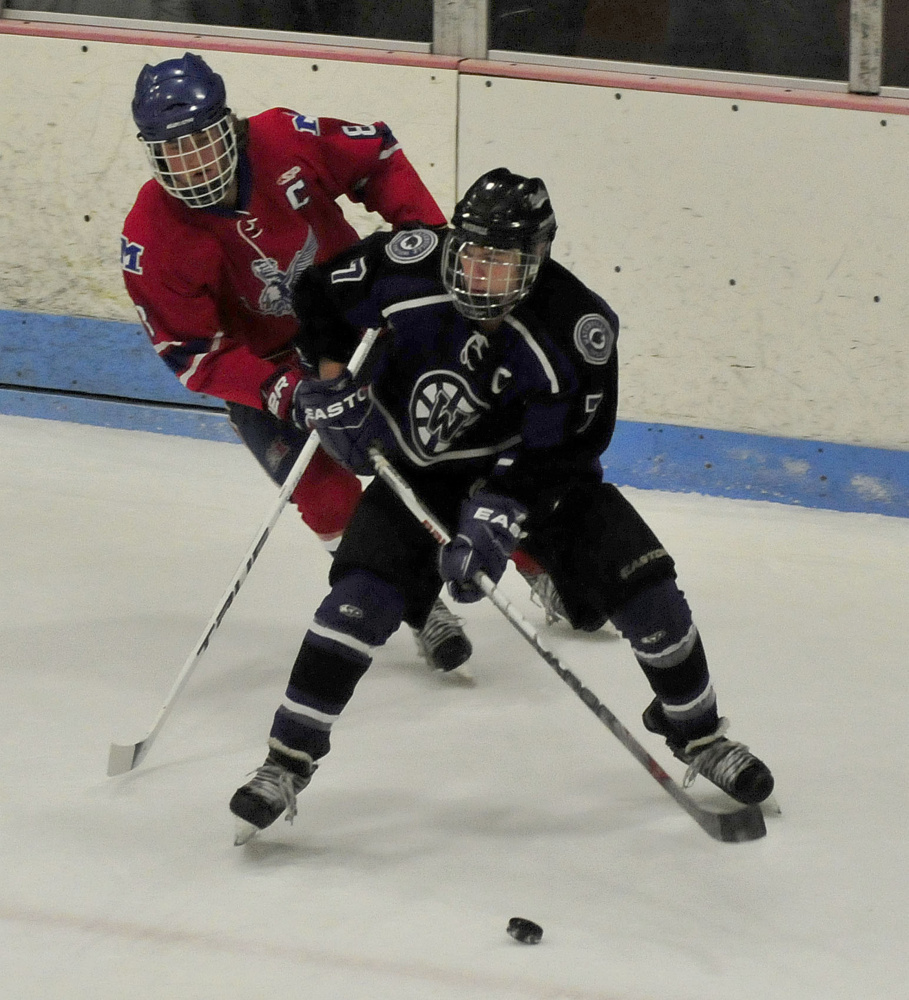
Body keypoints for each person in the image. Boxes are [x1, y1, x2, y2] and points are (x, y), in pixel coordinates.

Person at [228, 167, 775, 843]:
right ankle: (286, 761)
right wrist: (331, 383)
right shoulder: (407, 265)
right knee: (355, 607)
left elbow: (568, 451)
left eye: (500, 263)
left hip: (540, 484)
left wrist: (499, 515)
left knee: (649, 594)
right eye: (472, 255)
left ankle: (697, 737)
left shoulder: (577, 328)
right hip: (420, 477)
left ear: (536, 261)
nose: (477, 276)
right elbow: (316, 296)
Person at [120, 52, 471, 672]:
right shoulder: (151, 238)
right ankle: (421, 607)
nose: (195, 164)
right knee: (329, 500)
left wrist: (422, 243)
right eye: (174, 151)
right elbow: (191, 354)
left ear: (229, 124)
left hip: (354, 330)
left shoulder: (284, 138)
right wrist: (279, 390)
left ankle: (538, 563)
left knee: (445, 446)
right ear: (153, 154)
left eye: (202, 141)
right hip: (269, 372)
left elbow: (377, 155)